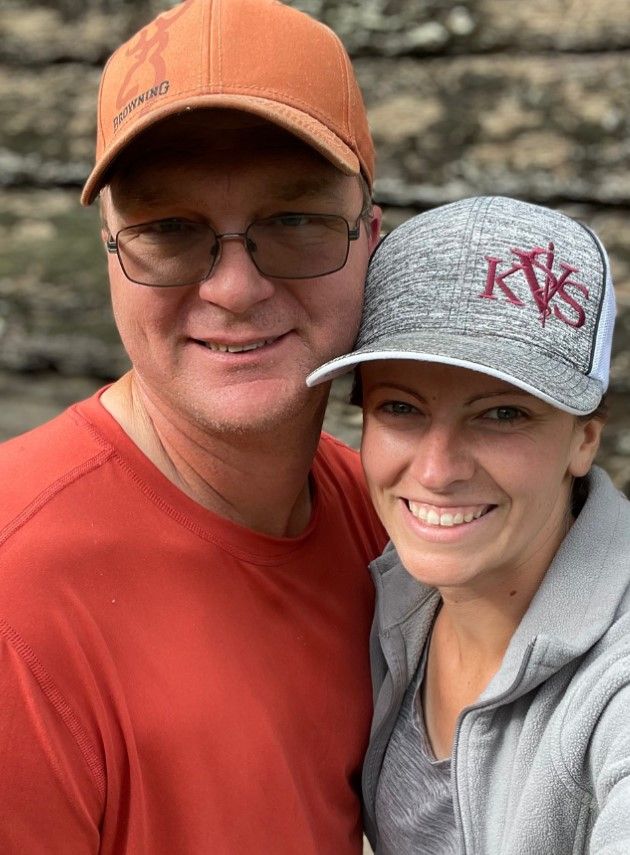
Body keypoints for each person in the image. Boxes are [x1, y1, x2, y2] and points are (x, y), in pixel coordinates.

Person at [0, 0, 385, 852]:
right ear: (110, 251)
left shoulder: (389, 524)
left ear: (371, 237)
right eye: (169, 230)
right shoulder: (16, 606)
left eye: (293, 219)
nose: (235, 289)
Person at [308, 195, 630, 854]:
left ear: (584, 439)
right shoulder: (386, 593)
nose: (437, 468)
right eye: (401, 406)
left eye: (502, 413)